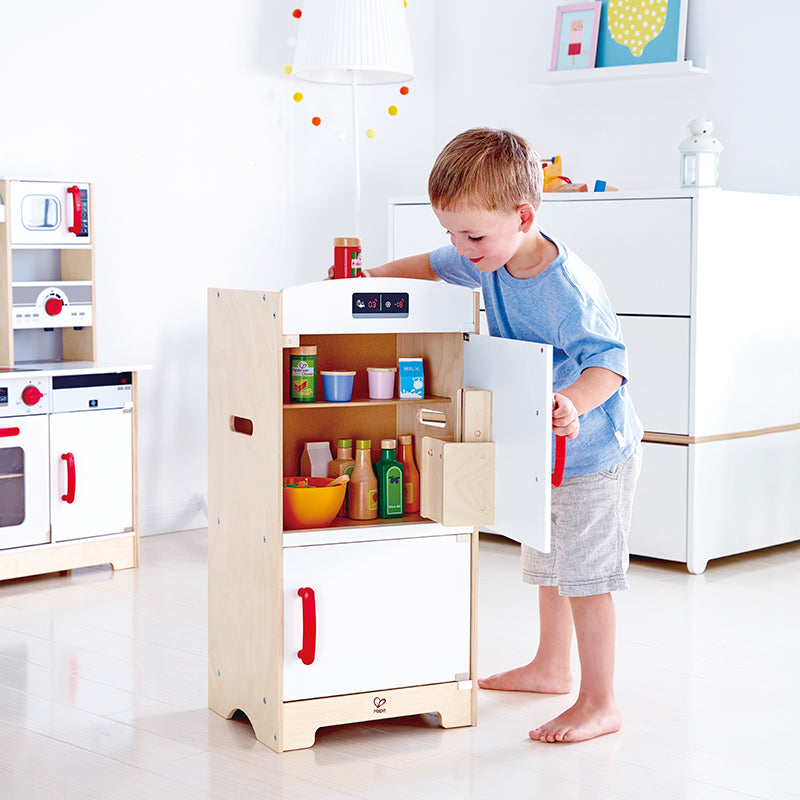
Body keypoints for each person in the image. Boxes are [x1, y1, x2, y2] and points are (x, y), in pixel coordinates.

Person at [342, 127, 643, 743]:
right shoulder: (489, 252)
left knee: (586, 576)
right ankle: (552, 666)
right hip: (547, 445)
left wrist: (572, 404)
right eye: (451, 232)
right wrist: (365, 279)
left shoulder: (567, 289)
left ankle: (600, 700)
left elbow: (609, 363)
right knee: (548, 559)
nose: (459, 247)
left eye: (470, 235)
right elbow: (426, 267)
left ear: (523, 216)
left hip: (593, 449)